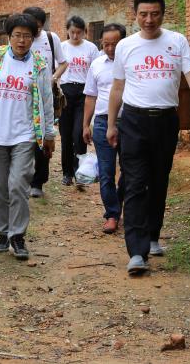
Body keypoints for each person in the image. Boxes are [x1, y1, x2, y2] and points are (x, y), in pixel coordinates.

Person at [106, 0, 190, 274]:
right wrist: (112, 124)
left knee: (158, 181)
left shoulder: (176, 41)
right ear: (135, 15)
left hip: (165, 121)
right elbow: (117, 88)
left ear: (163, 14)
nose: (149, 20)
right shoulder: (126, 46)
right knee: (136, 183)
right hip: (133, 122)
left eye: (154, 14)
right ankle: (137, 252)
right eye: (143, 14)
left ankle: (153, 235)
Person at [0, 13, 56, 260]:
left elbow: (47, 101)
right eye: (17, 35)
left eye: (27, 36)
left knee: (18, 185)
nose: (22, 40)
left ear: (33, 38)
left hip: (24, 135)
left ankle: (18, 235)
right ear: (9, 36)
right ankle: (2, 233)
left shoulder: (38, 66)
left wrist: (49, 134)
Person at [82, 23, 126, 233]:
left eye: (114, 44)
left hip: (129, 122)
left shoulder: (131, 63)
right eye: (106, 44)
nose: (110, 48)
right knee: (106, 172)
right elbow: (91, 95)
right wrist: (85, 124)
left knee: (130, 171)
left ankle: (119, 204)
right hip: (101, 122)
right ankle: (112, 214)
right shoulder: (97, 64)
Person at [22, 6, 68, 198]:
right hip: (23, 95)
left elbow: (63, 62)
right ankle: (22, 177)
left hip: (45, 95)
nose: (34, 32)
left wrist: (54, 78)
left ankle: (38, 181)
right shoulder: (21, 39)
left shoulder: (51, 38)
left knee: (43, 135)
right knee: (24, 137)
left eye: (38, 28)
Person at [59, 16, 99, 187]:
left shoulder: (91, 48)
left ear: (84, 32)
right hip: (65, 93)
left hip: (84, 93)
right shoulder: (61, 47)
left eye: (79, 32)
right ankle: (67, 173)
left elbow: (96, 69)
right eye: (72, 32)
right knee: (66, 136)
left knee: (79, 134)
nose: (75, 36)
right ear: (67, 31)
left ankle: (80, 173)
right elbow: (56, 69)